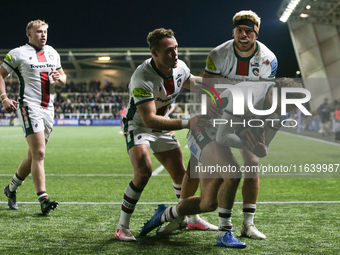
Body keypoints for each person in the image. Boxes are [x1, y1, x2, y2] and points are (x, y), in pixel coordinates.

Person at [140, 78, 306, 248]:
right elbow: (222, 136)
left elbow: (264, 148)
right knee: (233, 172)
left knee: (208, 203)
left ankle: (167, 214)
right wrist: (250, 144)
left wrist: (259, 149)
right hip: (204, 129)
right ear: (274, 92)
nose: (282, 110)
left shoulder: (281, 110)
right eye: (282, 105)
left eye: (289, 108)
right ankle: (224, 232)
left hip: (224, 133)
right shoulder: (248, 96)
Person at [114, 28, 212, 242]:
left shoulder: (180, 67)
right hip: (139, 126)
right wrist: (189, 123)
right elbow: (148, 119)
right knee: (143, 172)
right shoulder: (142, 77)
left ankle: (192, 218)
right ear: (154, 53)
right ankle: (122, 227)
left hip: (164, 126)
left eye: (176, 48)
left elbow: (192, 82)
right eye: (169, 50)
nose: (175, 54)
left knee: (181, 175)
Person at [197, 9, 278, 239]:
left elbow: (266, 96)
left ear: (256, 33)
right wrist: (208, 104)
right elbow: (207, 85)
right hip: (221, 113)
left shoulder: (268, 59)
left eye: (248, 32)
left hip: (248, 114)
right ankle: (188, 215)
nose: (243, 35)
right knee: (197, 163)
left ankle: (248, 224)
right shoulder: (218, 54)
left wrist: (259, 125)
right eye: (239, 31)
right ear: (234, 31)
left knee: (252, 162)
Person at [1, 19, 66, 214]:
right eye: (38, 32)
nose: (43, 35)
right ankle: (43, 198)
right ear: (29, 34)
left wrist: (60, 79)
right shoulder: (17, 53)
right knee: (39, 153)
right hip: (29, 107)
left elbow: (63, 78)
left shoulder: (53, 53)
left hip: (48, 108)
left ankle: (11, 189)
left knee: (33, 155)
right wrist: (3, 98)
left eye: (45, 31)